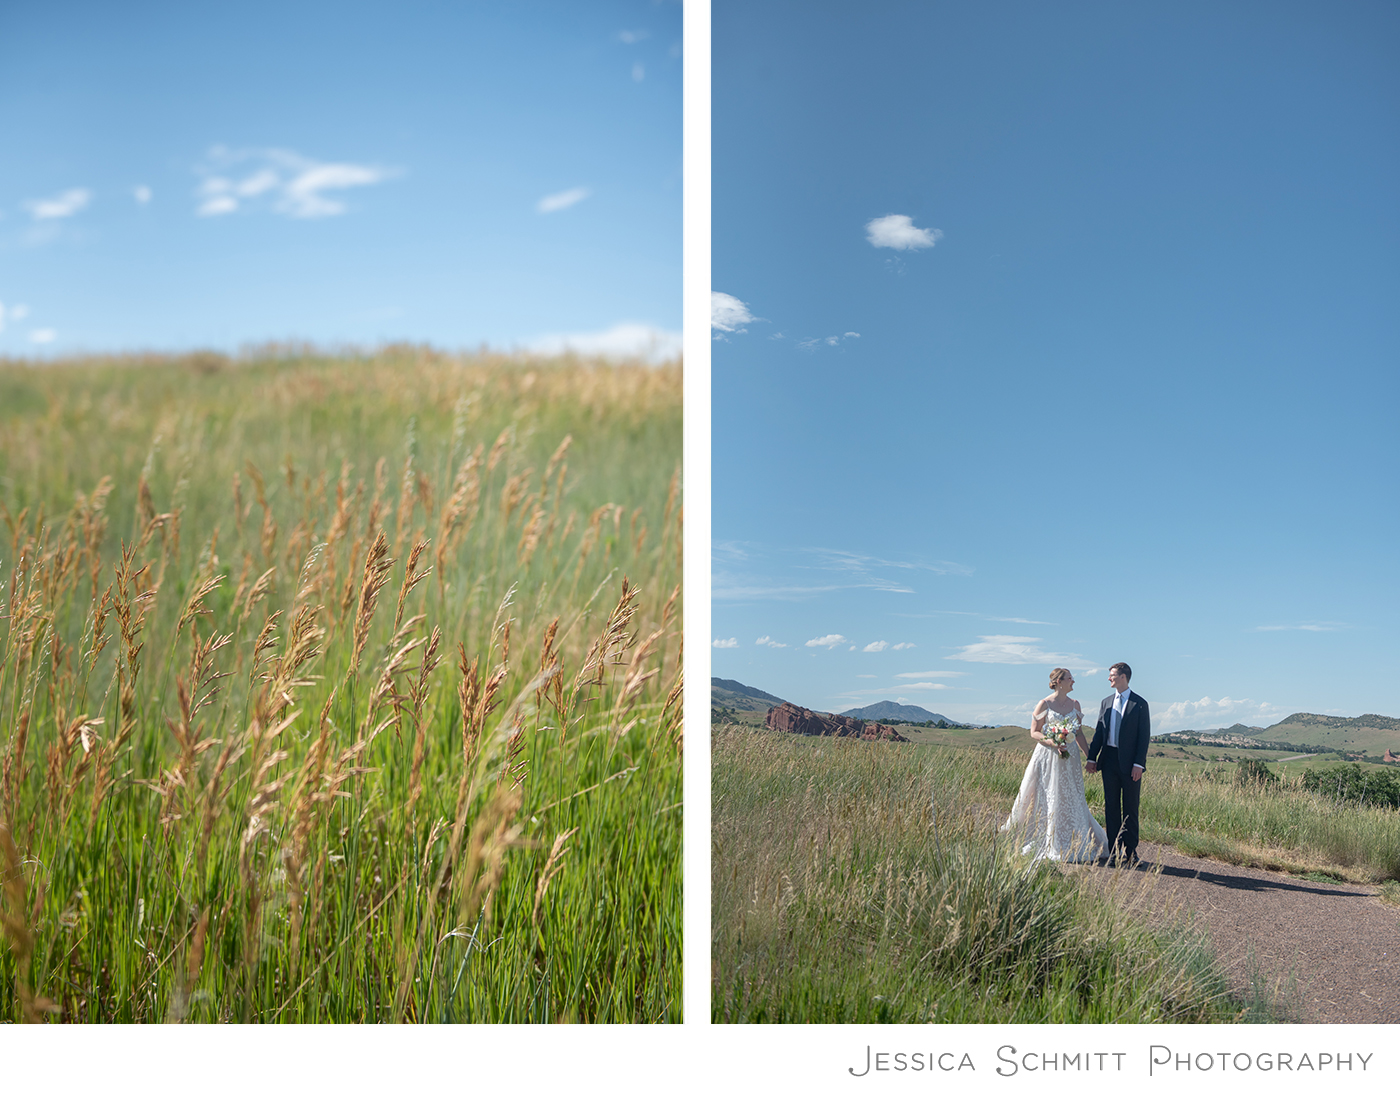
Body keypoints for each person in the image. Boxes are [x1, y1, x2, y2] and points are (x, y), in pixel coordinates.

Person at [1000, 668, 1108, 862]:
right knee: (1048, 795)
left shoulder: (1075, 704)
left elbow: (1080, 733)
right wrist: (1052, 742)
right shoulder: (1044, 704)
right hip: (1048, 756)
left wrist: (1090, 757)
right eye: (1070, 679)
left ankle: (1074, 838)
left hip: (1071, 759)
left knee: (1071, 795)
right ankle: (1049, 840)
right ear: (1059, 681)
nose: (1073, 682)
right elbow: (1034, 732)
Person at [1085, 662, 1150, 866]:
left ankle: (1131, 852)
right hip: (1110, 760)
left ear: (1123, 677)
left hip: (1131, 763)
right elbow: (1099, 732)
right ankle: (1113, 850)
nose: (1109, 678)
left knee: (1131, 807)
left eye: (1112, 675)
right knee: (1111, 807)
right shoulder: (1105, 702)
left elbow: (1143, 737)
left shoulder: (1140, 704)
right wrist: (1091, 758)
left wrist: (1139, 764)